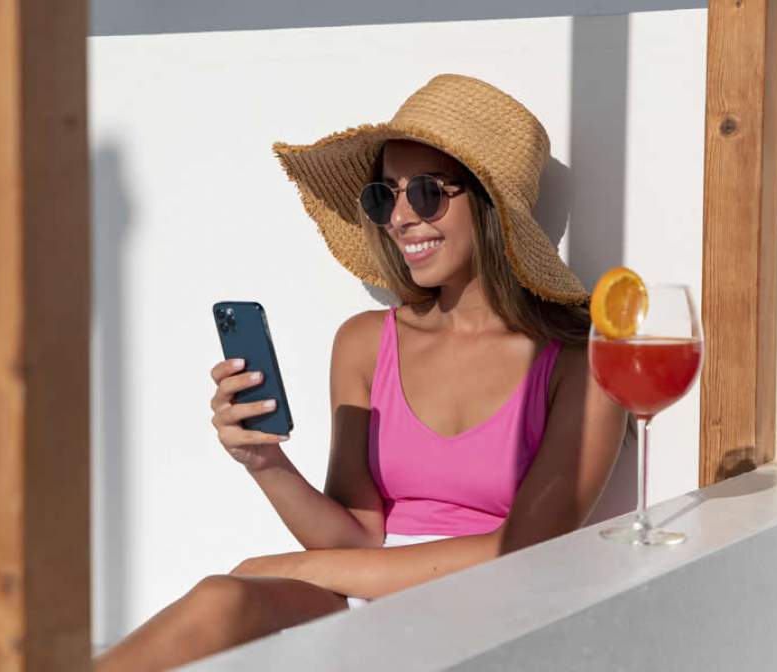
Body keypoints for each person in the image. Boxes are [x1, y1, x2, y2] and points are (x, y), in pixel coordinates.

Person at [93, 73, 627, 671]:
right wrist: (263, 461)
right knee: (222, 599)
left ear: (489, 204)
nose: (399, 217)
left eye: (425, 192)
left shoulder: (581, 364)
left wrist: (296, 567)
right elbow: (355, 535)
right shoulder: (366, 343)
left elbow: (528, 549)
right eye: (385, 196)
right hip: (361, 599)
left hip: (494, 613)